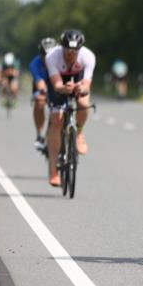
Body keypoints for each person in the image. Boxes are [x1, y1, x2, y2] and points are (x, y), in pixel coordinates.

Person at [45, 29, 96, 187]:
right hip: (60, 83)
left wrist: (80, 88)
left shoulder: (88, 56)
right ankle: (53, 169)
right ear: (62, 48)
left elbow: (86, 85)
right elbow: (57, 85)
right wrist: (65, 88)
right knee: (57, 119)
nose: (70, 54)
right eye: (67, 50)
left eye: (74, 51)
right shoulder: (52, 56)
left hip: (78, 80)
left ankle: (79, 133)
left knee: (83, 104)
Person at [29, 37, 57, 151]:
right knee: (40, 101)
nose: (48, 58)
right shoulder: (35, 63)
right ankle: (40, 134)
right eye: (45, 55)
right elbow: (40, 84)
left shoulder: (61, 60)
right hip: (43, 86)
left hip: (57, 86)